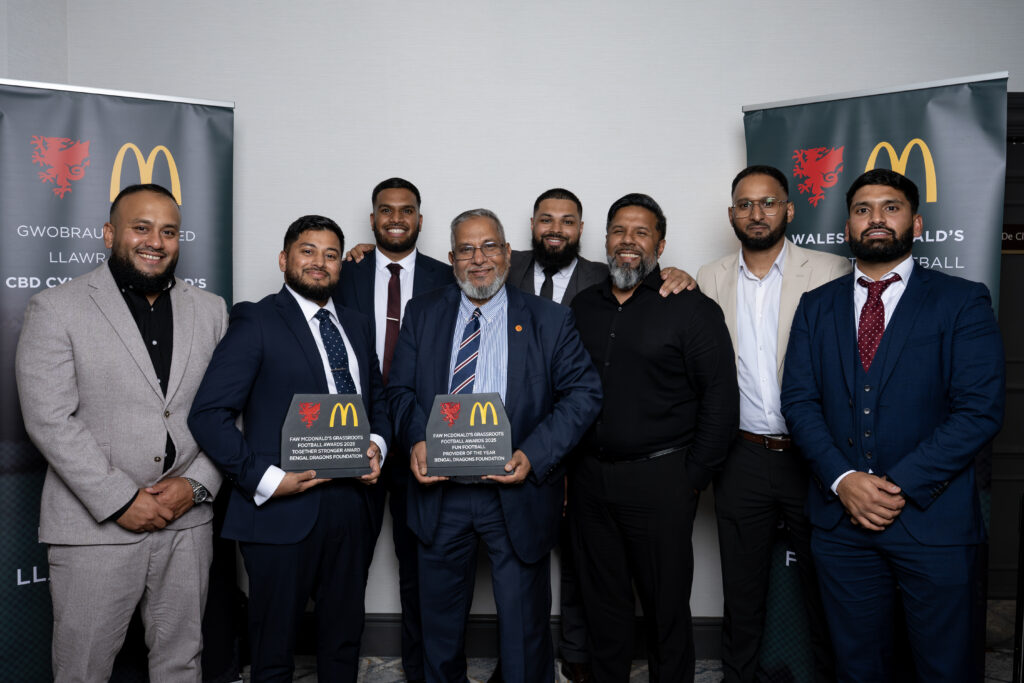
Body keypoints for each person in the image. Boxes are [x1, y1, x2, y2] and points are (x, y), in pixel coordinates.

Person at [781, 169, 1005, 682]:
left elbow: (979, 409)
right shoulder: (816, 307)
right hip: (842, 527)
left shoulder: (961, 300)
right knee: (858, 668)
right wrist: (844, 480)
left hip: (934, 524)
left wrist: (894, 487)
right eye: (863, 209)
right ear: (847, 228)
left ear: (916, 224)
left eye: (891, 207)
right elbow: (799, 401)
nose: (876, 218)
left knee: (945, 669)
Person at [15, 183, 228, 682]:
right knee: (83, 670)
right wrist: (120, 500)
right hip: (93, 526)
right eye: (141, 228)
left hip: (186, 524)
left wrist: (196, 485)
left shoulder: (212, 310)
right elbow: (49, 418)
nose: (156, 241)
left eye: (169, 231)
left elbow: (229, 411)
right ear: (110, 234)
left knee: (182, 664)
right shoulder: (56, 307)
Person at [386, 208, 602, 683]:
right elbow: (399, 391)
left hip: (516, 491)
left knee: (524, 630)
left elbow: (584, 394)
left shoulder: (549, 320)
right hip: (441, 493)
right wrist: (417, 439)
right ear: (451, 259)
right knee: (438, 628)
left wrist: (534, 454)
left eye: (488, 247)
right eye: (466, 249)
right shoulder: (423, 313)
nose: (478, 259)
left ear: (507, 253)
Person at [187, 215, 390, 683]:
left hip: (352, 503)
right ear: (284, 259)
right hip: (281, 508)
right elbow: (208, 414)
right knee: (273, 646)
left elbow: (376, 400)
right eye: (307, 251)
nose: (320, 262)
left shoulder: (357, 325)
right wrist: (265, 479)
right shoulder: (256, 319)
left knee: (343, 639)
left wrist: (377, 444)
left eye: (331, 254)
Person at [570, 193, 738, 682]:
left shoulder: (691, 308)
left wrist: (692, 478)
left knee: (666, 607)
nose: (628, 241)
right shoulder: (583, 306)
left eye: (641, 233)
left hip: (662, 481)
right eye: (619, 231)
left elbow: (721, 400)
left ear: (660, 245)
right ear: (605, 240)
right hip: (590, 482)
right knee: (602, 604)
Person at [697, 165, 846, 682]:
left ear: (789, 209)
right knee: (742, 591)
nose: (756, 213)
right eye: (745, 204)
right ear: (731, 214)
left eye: (768, 202)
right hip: (741, 456)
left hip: (815, 456)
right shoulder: (709, 277)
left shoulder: (831, 271)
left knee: (826, 586)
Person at [334, 177, 452, 683]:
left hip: (421, 439)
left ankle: (421, 671)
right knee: (344, 569)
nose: (396, 219)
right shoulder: (344, 272)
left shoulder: (447, 276)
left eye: (406, 210)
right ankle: (338, 669)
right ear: (372, 219)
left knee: (421, 568)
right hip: (353, 440)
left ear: (420, 219)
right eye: (386, 210)